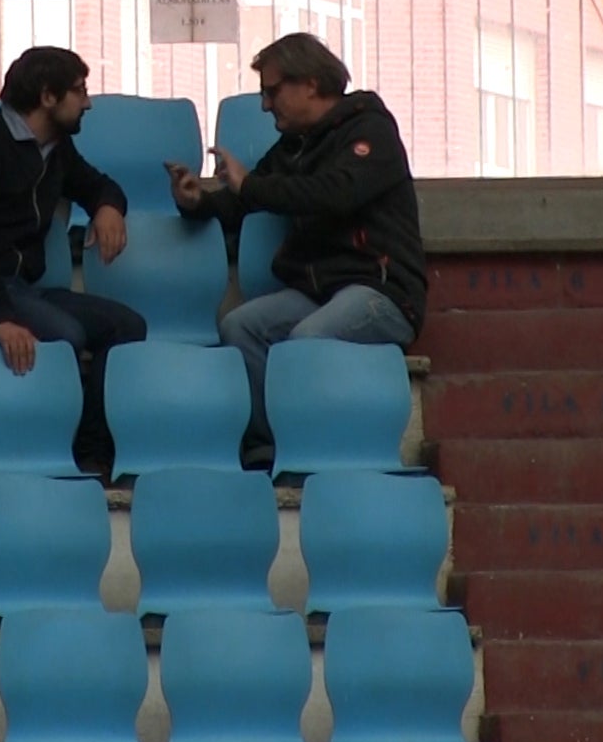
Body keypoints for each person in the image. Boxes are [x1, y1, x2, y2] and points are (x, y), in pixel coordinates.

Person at [168, 32, 426, 470]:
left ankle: (314, 452)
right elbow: (251, 197)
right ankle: (271, 445)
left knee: (306, 340)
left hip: (380, 292)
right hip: (319, 290)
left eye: (272, 91)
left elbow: (335, 194)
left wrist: (250, 184)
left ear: (309, 83)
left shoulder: (370, 130)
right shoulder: (297, 143)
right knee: (240, 326)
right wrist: (200, 202)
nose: (266, 105)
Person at [0, 45, 148, 472]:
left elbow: (99, 185)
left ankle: (93, 454)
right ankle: (55, 449)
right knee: (64, 333)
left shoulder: (55, 148)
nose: (88, 101)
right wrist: (0, 318)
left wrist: (109, 207)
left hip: (13, 288)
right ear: (48, 97)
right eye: (79, 90)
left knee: (127, 326)